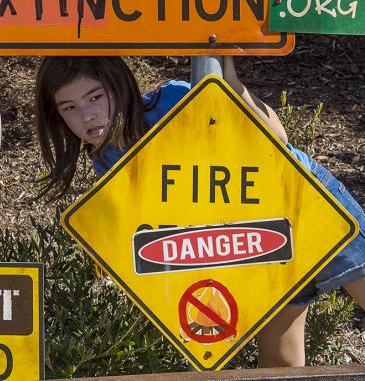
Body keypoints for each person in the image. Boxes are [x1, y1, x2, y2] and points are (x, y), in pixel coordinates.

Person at [34, 55, 365, 368]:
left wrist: (229, 78)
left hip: (309, 205)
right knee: (280, 366)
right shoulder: (107, 162)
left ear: (119, 87)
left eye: (95, 97)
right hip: (258, 242)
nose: (87, 115)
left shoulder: (171, 102)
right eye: (70, 107)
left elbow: (276, 139)